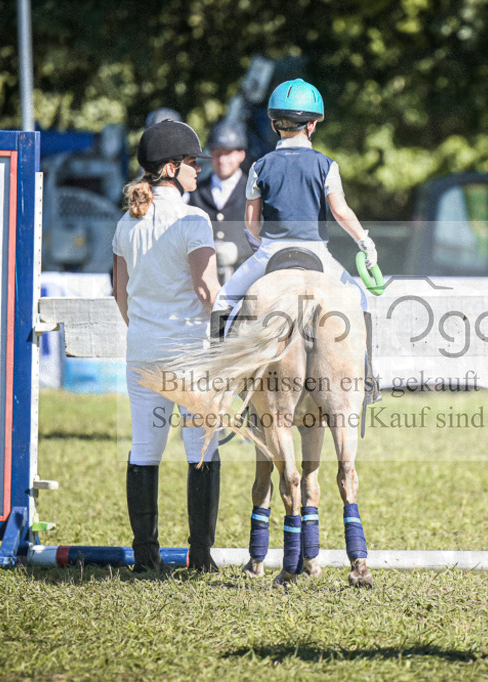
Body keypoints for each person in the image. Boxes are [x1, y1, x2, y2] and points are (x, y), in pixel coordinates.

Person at [211, 78, 380, 401]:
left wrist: (260, 249)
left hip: (271, 252)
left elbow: (251, 223)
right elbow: (341, 211)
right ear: (312, 125)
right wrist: (365, 242)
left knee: (223, 301)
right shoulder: (326, 166)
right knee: (359, 300)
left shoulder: (259, 167)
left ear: (274, 125)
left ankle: (218, 383)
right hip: (318, 255)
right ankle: (367, 380)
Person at [112, 119, 223, 572]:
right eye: (193, 163)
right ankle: (199, 558)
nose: (199, 170)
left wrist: (144, 329)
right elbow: (207, 291)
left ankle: (145, 557)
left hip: (142, 350)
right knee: (201, 449)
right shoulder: (194, 220)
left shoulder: (126, 222)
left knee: (144, 451)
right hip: (188, 354)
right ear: (172, 167)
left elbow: (121, 295)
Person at [188, 121, 255, 281]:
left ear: (241, 154)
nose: (222, 159)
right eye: (217, 153)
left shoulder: (253, 190)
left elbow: (263, 234)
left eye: (228, 153)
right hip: (204, 280)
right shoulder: (195, 192)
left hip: (244, 279)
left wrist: (238, 250)